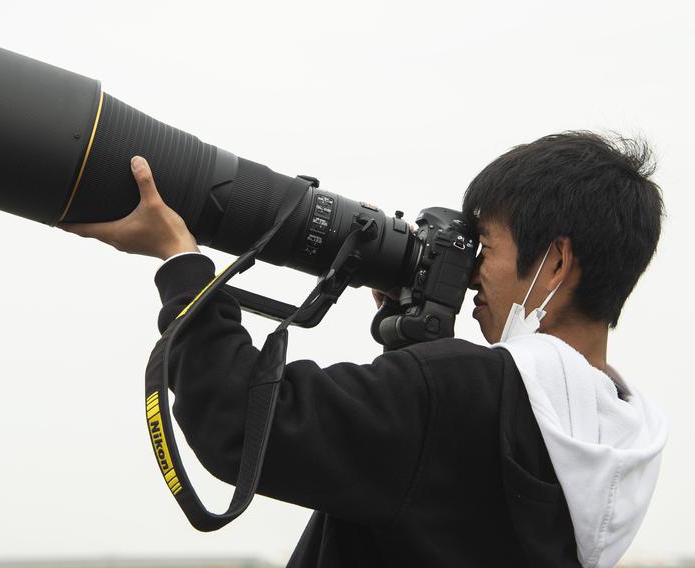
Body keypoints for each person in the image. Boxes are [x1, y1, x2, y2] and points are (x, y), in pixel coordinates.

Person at [59, 131, 666, 567]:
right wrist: (416, 337)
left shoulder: (455, 392)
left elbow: (236, 421)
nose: (474, 272)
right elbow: (450, 483)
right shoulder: (620, 439)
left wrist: (183, 265)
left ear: (555, 260)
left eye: (485, 245)